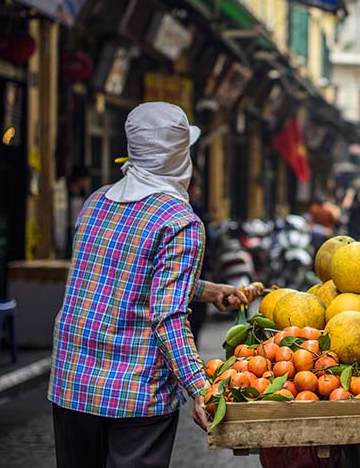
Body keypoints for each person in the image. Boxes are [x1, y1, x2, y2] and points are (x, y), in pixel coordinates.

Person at [49, 102, 258, 468]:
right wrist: (200, 386)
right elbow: (168, 316)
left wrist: (206, 290)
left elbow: (123, 274)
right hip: (135, 392)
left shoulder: (96, 202)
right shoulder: (180, 221)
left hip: (73, 383)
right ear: (180, 158)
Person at [188, 173, 210, 349]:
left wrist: (214, 291)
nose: (199, 191)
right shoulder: (188, 215)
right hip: (196, 270)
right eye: (197, 187)